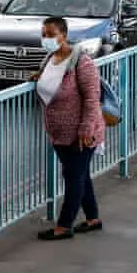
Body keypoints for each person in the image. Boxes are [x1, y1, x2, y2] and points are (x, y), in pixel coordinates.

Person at [33, 17, 105, 241]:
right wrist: (37, 77)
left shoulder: (81, 62)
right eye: (44, 34)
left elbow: (92, 99)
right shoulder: (49, 58)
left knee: (73, 177)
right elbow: (49, 81)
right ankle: (93, 218)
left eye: (51, 34)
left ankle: (65, 225)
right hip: (59, 133)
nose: (46, 38)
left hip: (81, 133)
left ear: (63, 35)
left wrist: (85, 129)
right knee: (79, 175)